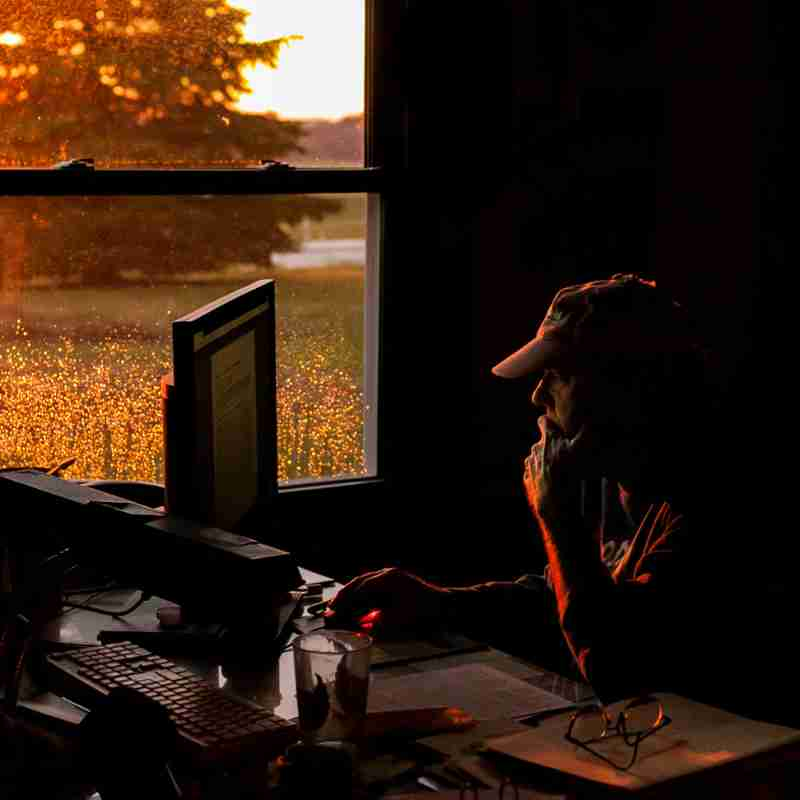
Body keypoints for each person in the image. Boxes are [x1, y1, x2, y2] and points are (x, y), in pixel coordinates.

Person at [328, 273, 796, 725]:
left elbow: (623, 670)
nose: (536, 396)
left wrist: (559, 517)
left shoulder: (715, 505)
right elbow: (563, 596)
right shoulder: (614, 468)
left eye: (557, 376)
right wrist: (441, 602)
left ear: (625, 389)